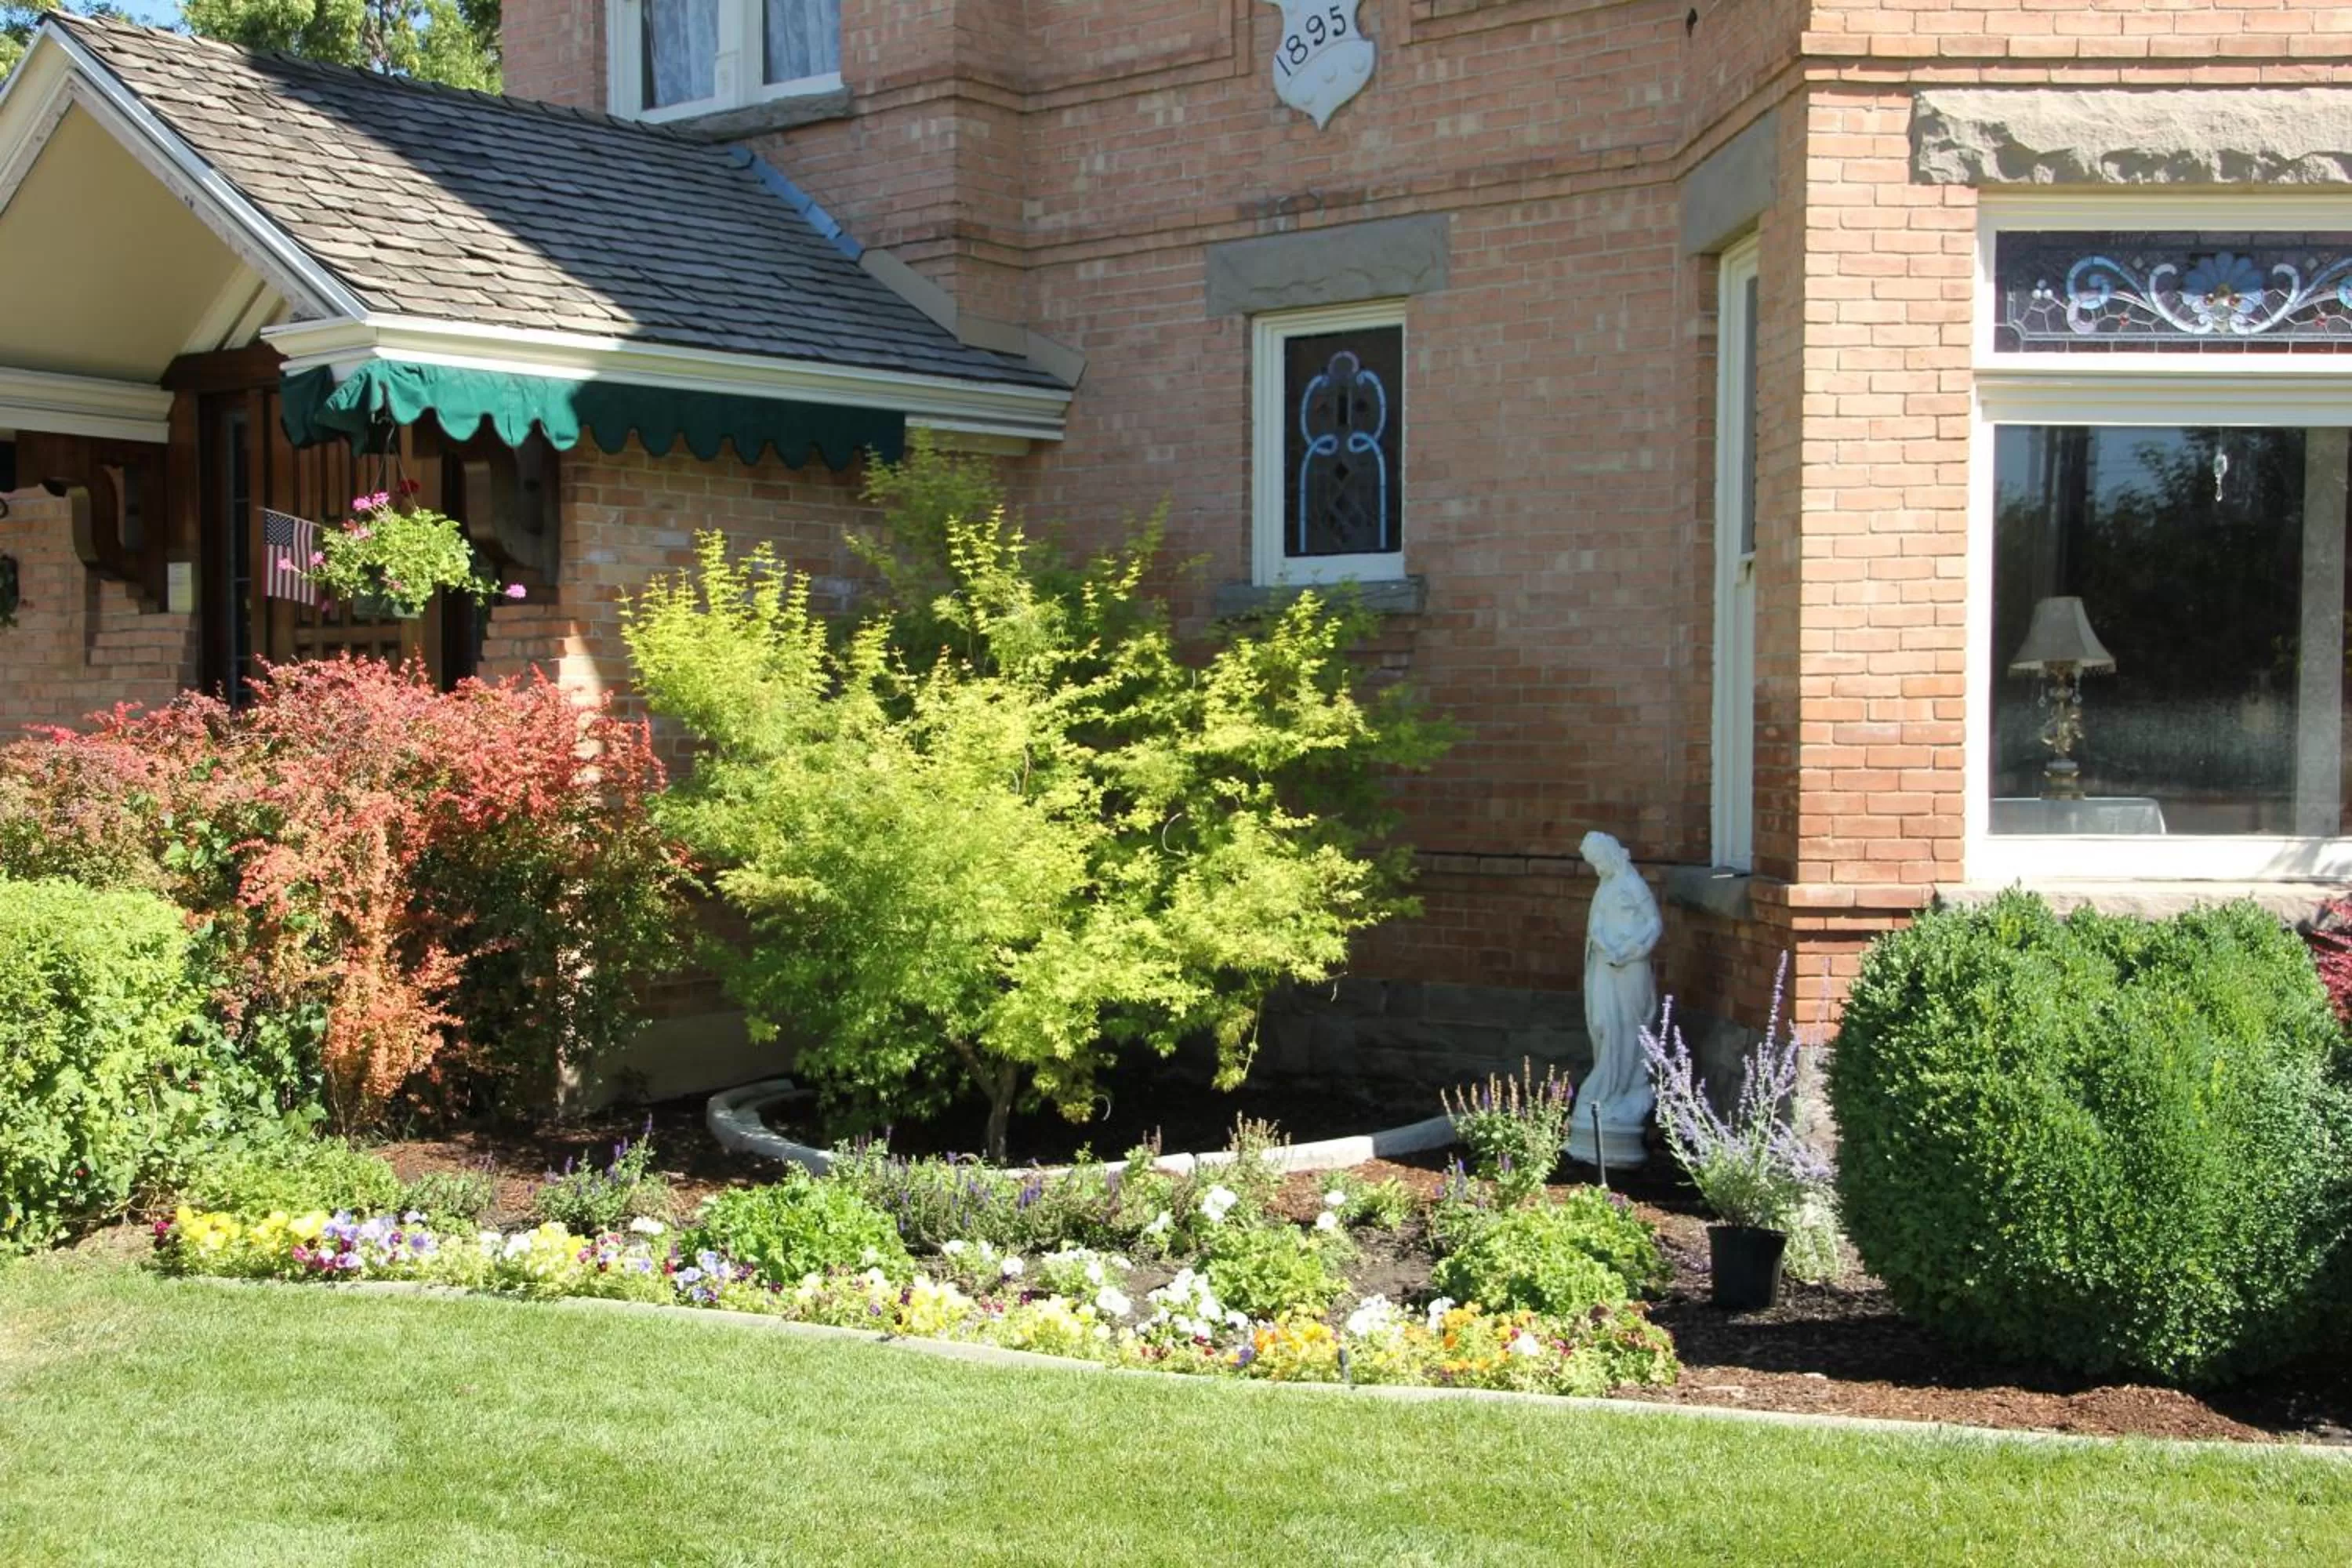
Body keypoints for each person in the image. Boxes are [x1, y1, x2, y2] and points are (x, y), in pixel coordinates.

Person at [1569, 829, 1661, 1167]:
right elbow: (1595, 927)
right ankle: (1607, 1088)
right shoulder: (1605, 886)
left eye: (1597, 862)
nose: (1596, 869)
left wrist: (1630, 950)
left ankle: (1623, 1089)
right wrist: (1606, 944)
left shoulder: (1633, 885)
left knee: (1626, 1025)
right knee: (1602, 1023)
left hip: (1629, 967)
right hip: (1606, 965)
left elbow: (1654, 923)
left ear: (1610, 856)